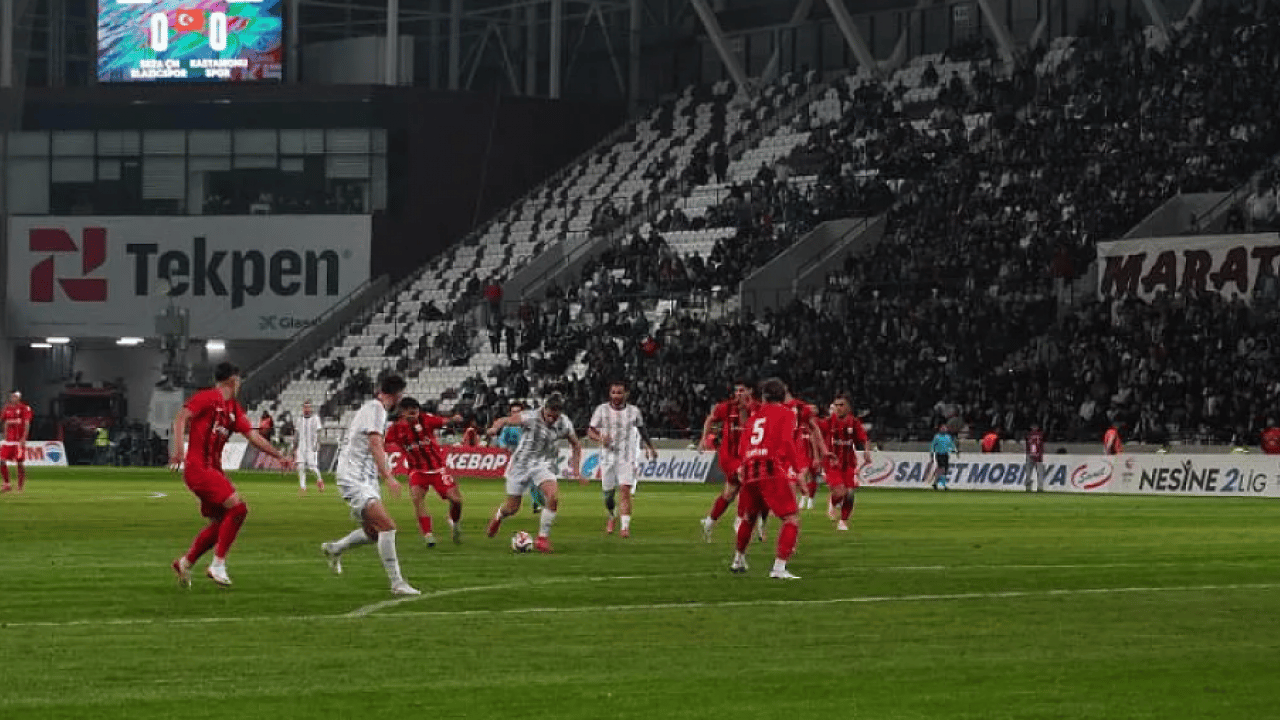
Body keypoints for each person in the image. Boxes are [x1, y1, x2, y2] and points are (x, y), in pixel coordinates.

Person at [170, 363, 292, 587]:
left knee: (221, 523)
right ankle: (218, 564)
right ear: (233, 380)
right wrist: (178, 451)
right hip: (199, 468)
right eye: (239, 380)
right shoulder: (207, 398)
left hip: (213, 470)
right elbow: (180, 418)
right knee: (238, 508)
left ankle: (185, 563)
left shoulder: (233, 409)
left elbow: (253, 437)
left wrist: (278, 455)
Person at [320, 374, 421, 596]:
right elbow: (375, 444)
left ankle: (334, 549)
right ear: (396, 395)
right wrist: (389, 476)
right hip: (354, 478)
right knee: (388, 526)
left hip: (364, 478)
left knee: (374, 533)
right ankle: (397, 583)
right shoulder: (376, 409)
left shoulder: (373, 410)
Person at [484, 393, 583, 553]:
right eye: (549, 415)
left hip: (542, 464)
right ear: (544, 409)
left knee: (553, 496)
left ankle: (542, 538)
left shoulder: (565, 423)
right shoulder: (529, 417)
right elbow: (504, 420)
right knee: (512, 508)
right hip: (520, 465)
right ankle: (498, 517)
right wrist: (495, 428)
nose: (551, 419)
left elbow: (576, 445)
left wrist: (576, 470)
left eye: (555, 416)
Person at [730, 378, 802, 580]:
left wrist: (743, 466)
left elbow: (742, 447)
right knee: (791, 518)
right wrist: (799, 470)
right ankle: (779, 568)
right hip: (770, 469)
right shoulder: (786, 413)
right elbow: (788, 442)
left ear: (763, 396)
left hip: (750, 469)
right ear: (783, 395)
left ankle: (738, 559)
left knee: (749, 517)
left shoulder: (754, 418)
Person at [385, 397, 465, 546]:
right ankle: (428, 535)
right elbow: (382, 442)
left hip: (438, 469)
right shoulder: (395, 429)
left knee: (456, 501)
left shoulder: (426, 419)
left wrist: (454, 419)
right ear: (402, 413)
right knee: (418, 499)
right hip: (417, 471)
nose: (414, 416)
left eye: (416, 412)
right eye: (410, 413)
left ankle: (455, 522)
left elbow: (443, 421)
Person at [587, 380, 658, 537]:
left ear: (626, 394)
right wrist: (600, 438)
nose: (616, 396)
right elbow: (590, 431)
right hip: (607, 458)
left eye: (619, 392)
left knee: (625, 490)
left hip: (626, 457)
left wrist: (650, 447)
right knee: (608, 495)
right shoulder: (601, 410)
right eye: (613, 392)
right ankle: (611, 515)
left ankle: (625, 527)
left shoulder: (634, 411)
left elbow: (642, 430)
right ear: (609, 394)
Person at [698, 380, 756, 542]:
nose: (738, 394)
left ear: (750, 392)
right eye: (737, 391)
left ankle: (709, 521)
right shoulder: (726, 407)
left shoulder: (756, 408)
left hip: (747, 456)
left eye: (742, 390)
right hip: (729, 457)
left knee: (729, 493)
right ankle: (739, 520)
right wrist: (704, 439)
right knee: (746, 479)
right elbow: (710, 419)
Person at [819, 393, 870, 531]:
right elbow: (816, 432)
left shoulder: (854, 422)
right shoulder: (829, 422)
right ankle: (833, 501)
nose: (838, 408)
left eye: (841, 405)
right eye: (836, 405)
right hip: (833, 464)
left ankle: (843, 521)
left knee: (850, 493)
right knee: (841, 492)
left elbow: (864, 438)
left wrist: (866, 451)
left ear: (848, 407)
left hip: (848, 464)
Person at [496, 401, 546, 513]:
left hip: (533, 456)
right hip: (517, 458)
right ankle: (537, 503)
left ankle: (538, 503)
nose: (515, 414)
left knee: (536, 481)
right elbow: (502, 440)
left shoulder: (528, 423)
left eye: (518, 411)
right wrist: (506, 447)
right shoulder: (509, 426)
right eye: (513, 412)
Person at [1, 391, 33, 493]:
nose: (12, 398)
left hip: (19, 441)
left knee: (19, 463)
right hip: (9, 441)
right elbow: (3, 421)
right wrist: (4, 434)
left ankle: (20, 486)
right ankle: (7, 484)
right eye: (11, 396)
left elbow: (27, 423)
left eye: (15, 396)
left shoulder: (24, 408)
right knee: (1, 460)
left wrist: (24, 437)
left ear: (19, 397)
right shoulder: (7, 408)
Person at [293, 400, 324, 495]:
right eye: (305, 407)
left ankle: (319, 480)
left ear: (311, 408)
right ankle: (303, 488)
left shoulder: (315, 418)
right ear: (303, 409)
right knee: (300, 466)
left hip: (311, 446)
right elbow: (297, 433)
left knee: (312, 467)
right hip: (301, 446)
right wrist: (294, 446)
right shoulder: (299, 419)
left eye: (308, 407)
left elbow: (319, 432)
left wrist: (318, 443)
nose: (307, 409)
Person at [926, 424, 957, 490]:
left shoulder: (948, 437)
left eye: (944, 428)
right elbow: (933, 445)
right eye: (942, 428)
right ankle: (943, 485)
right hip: (939, 454)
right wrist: (932, 452)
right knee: (941, 469)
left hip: (945, 454)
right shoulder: (937, 437)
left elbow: (951, 445)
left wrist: (954, 450)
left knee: (944, 470)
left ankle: (935, 483)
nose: (943, 429)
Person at [1023, 424, 1046, 492]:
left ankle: (1029, 487)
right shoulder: (1041, 434)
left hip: (1031, 455)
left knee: (1029, 472)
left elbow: (1027, 444)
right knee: (1039, 473)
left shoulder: (1028, 435)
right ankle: (1040, 487)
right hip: (1038, 456)